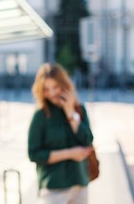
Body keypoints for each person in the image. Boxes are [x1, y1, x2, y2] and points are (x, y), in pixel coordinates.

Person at [28, 63, 94, 204]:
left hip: (80, 185)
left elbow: (87, 140)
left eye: (55, 87)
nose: (52, 93)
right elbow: (34, 153)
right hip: (53, 189)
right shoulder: (41, 115)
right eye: (46, 89)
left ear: (64, 85)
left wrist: (70, 112)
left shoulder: (79, 109)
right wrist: (70, 153)